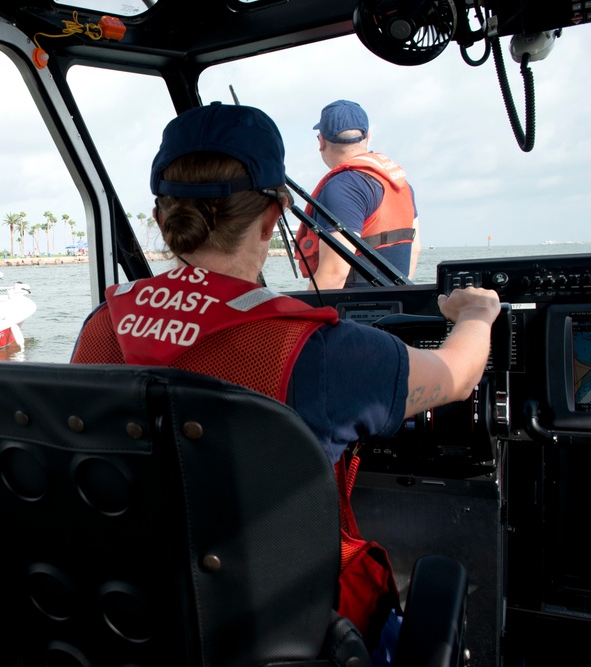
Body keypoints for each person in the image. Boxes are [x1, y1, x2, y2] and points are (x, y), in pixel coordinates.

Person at [70, 102, 501, 647]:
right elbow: (457, 376)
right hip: (273, 634)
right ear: (274, 218)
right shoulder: (318, 351)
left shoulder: (101, 326)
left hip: (130, 624)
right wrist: (477, 314)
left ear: (161, 218)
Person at [293, 100, 421, 289]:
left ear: (321, 141)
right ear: (367, 136)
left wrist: (300, 318)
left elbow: (334, 275)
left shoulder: (342, 188)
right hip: (395, 307)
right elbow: (414, 250)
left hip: (353, 313)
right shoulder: (401, 184)